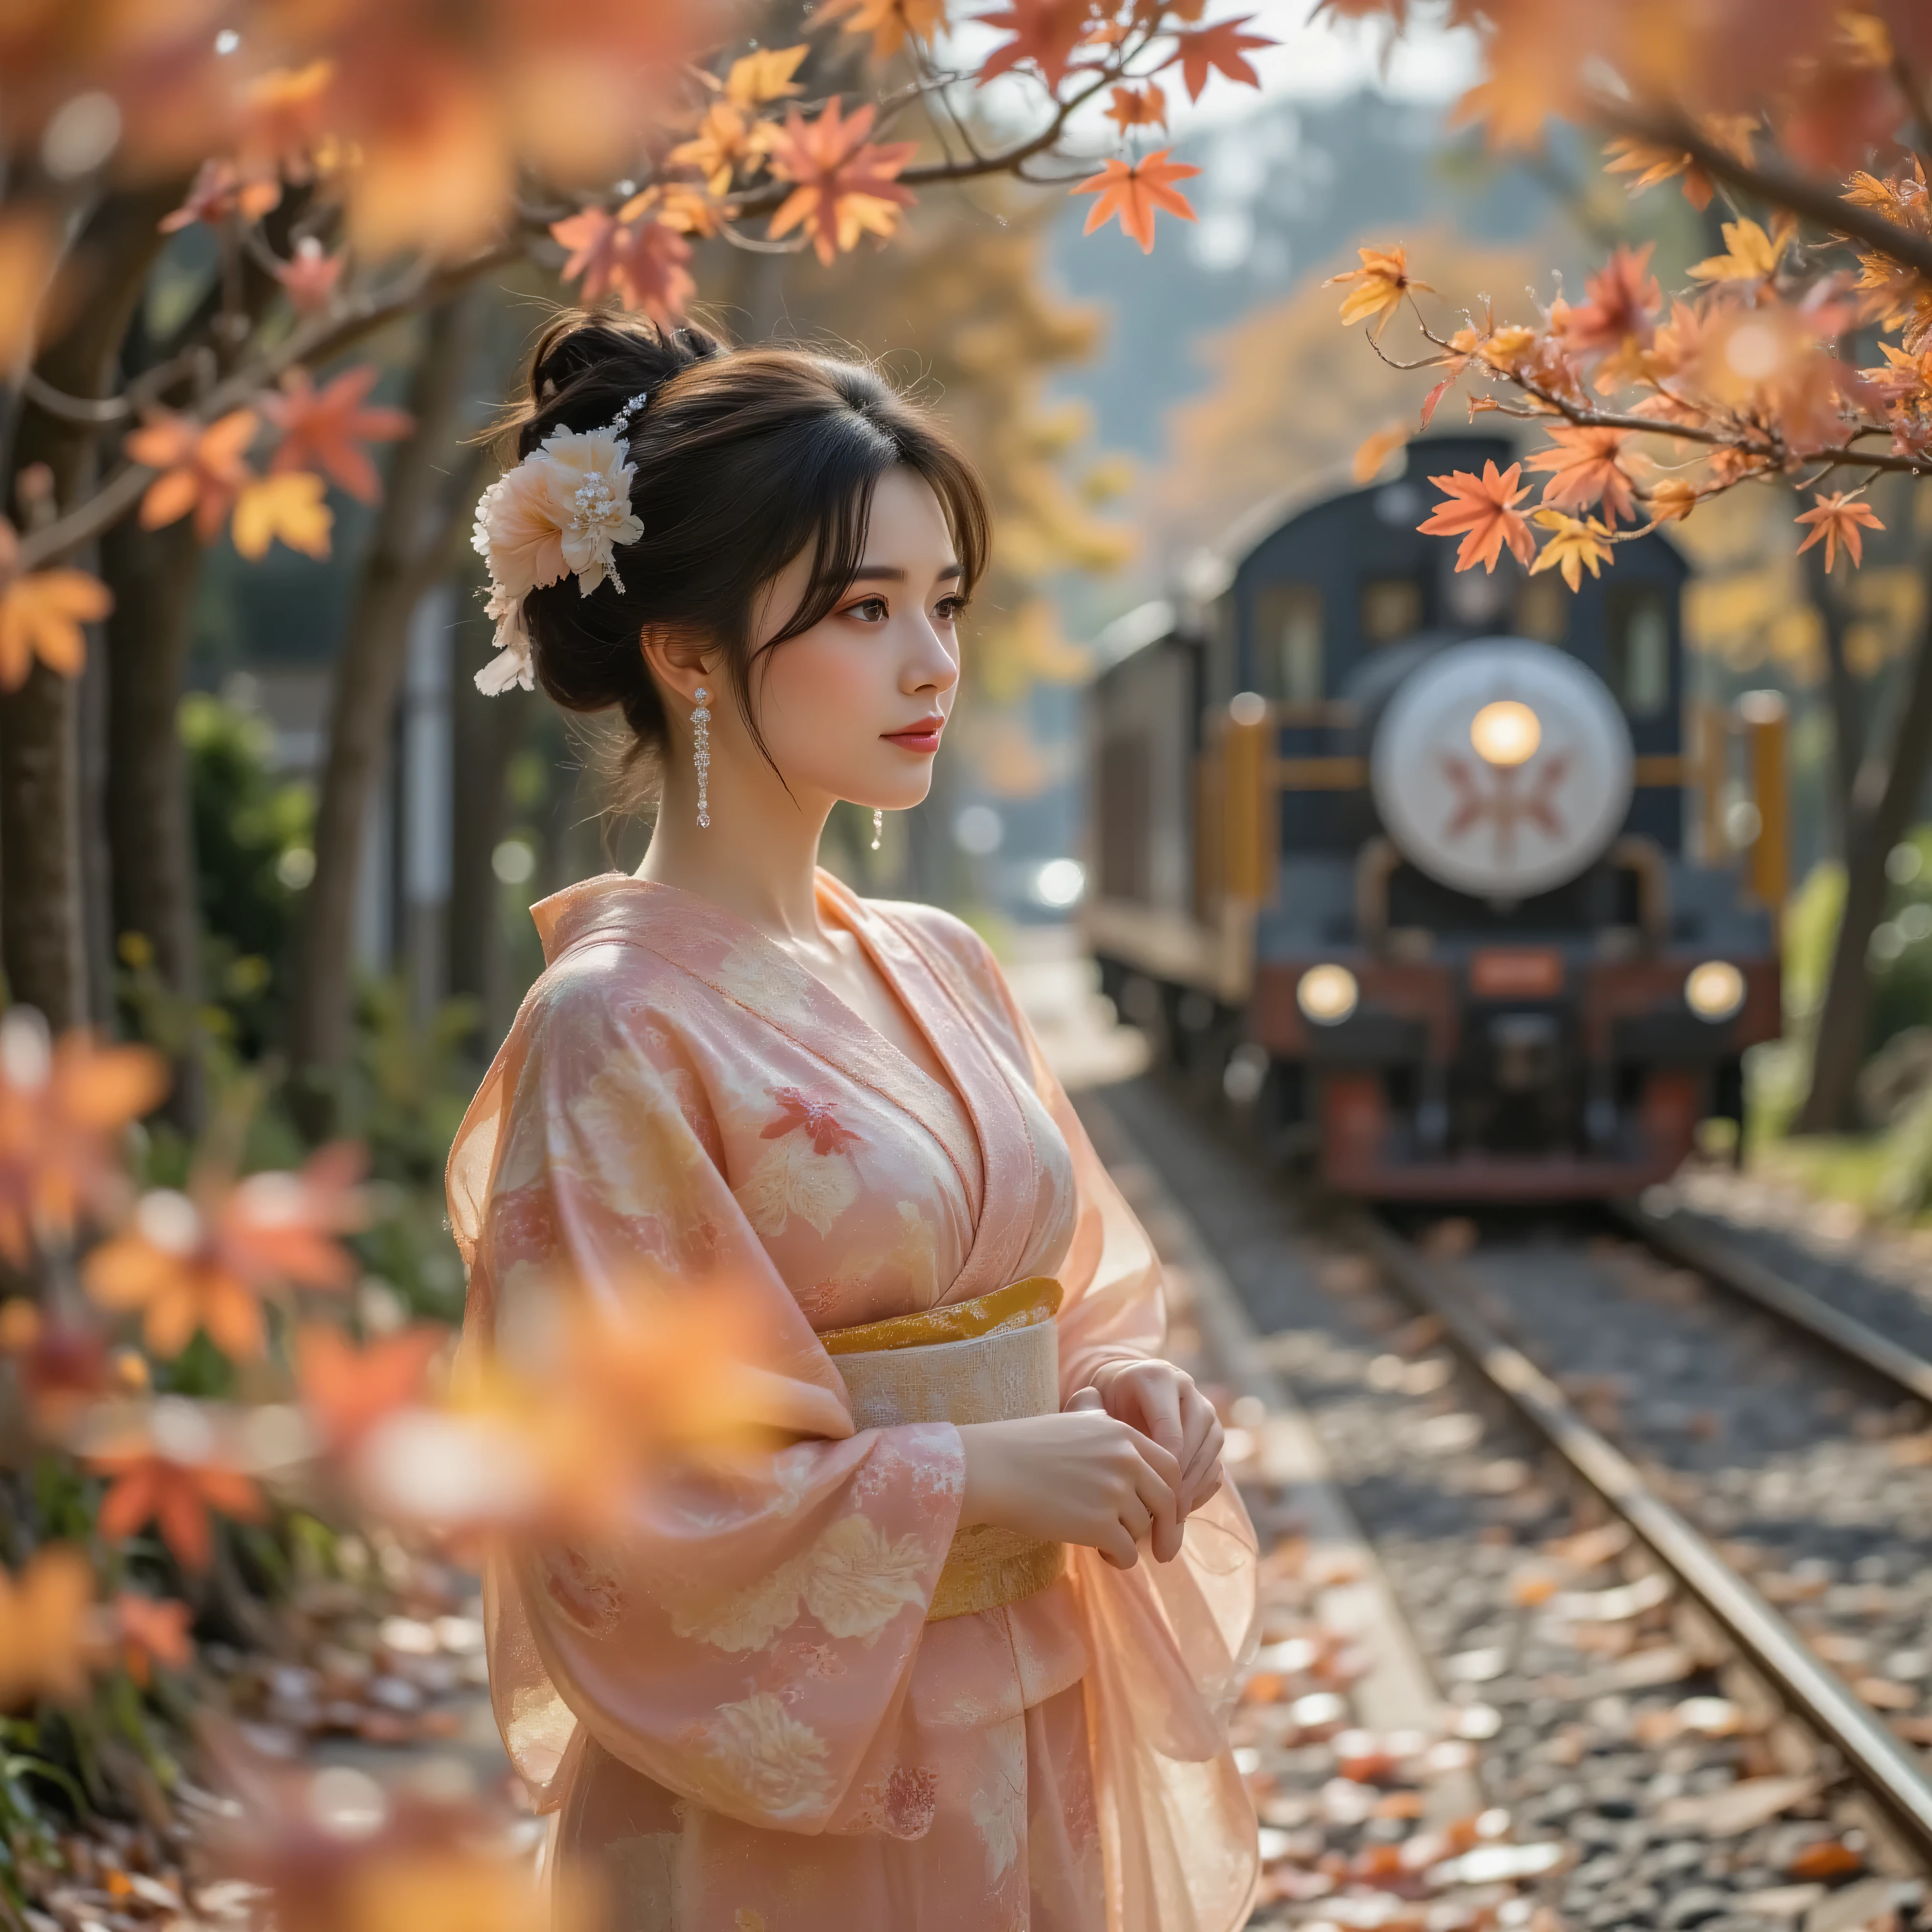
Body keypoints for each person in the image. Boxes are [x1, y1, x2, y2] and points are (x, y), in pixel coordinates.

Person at [445, 311, 1260, 1932]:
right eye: (864, 610)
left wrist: (1124, 1393)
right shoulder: (614, 1022)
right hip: (791, 1798)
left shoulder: (941, 961)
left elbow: (1072, 1291)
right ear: (682, 653)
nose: (933, 662)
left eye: (943, 605)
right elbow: (610, 1491)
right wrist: (979, 1480)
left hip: (1028, 1719)